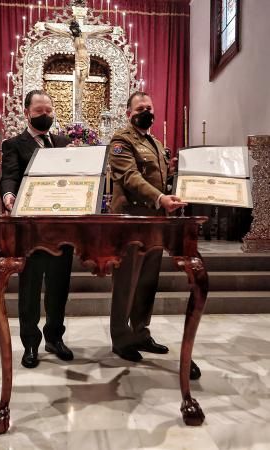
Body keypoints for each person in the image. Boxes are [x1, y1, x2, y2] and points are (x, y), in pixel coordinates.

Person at [108, 91, 201, 380]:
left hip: (155, 221)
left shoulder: (157, 144)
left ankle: (141, 333)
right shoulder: (121, 141)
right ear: (128, 113)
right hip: (131, 220)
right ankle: (121, 339)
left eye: (149, 107)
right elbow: (130, 178)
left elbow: (163, 179)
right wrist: (161, 198)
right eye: (140, 108)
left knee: (148, 280)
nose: (146, 111)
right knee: (128, 280)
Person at [0, 89, 74, 369]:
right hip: (31, 228)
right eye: (39, 111)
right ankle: (30, 343)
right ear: (27, 112)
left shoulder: (63, 143)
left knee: (59, 286)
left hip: (62, 227)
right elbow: (9, 177)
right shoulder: (14, 144)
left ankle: (54, 338)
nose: (45, 116)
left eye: (49, 111)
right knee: (30, 288)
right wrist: (8, 196)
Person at [41, 20, 112, 121]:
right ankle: (77, 99)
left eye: (75, 29)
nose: (73, 31)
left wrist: (108, 30)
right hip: (78, 60)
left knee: (82, 79)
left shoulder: (84, 35)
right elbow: (59, 31)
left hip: (85, 60)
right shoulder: (71, 36)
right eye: (72, 30)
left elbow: (97, 32)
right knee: (77, 77)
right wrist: (48, 27)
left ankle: (80, 97)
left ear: (77, 28)